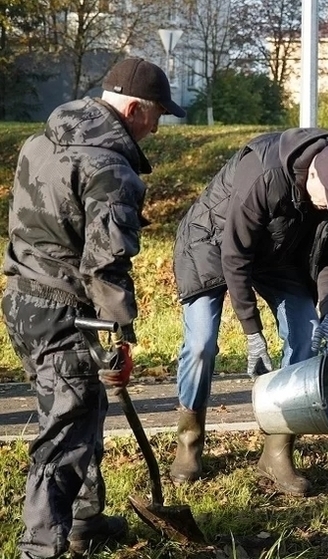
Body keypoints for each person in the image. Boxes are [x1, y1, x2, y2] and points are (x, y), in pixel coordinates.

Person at [1, 58, 185, 558]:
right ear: (132, 109)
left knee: (81, 411)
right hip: (65, 312)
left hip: (20, 301)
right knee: (64, 435)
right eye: (157, 115)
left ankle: (85, 520)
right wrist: (123, 334)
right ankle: (40, 548)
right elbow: (105, 266)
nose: (157, 126)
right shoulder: (111, 170)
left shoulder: (38, 143)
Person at [169, 128, 328, 496]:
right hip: (212, 244)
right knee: (201, 344)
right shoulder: (262, 172)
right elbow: (235, 256)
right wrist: (251, 332)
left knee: (306, 333)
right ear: (312, 175)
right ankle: (189, 440)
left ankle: (277, 450)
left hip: (279, 253)